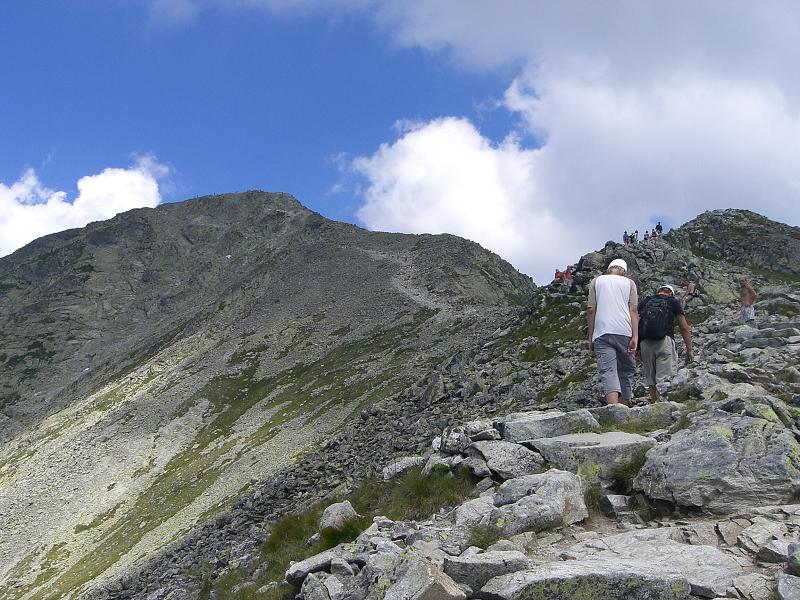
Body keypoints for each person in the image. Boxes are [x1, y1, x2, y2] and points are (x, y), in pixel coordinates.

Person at [587, 258, 639, 406]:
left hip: (602, 332)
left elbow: (591, 310)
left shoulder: (596, 281)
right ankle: (623, 409)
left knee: (608, 371)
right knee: (626, 369)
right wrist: (635, 336)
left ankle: (614, 412)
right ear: (623, 271)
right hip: (624, 331)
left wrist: (591, 338)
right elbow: (634, 310)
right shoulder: (629, 283)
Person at [638, 284, 693, 401]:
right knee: (664, 379)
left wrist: (636, 348)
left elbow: (635, 322)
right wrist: (689, 349)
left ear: (659, 291)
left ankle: (654, 405)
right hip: (664, 341)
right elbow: (684, 328)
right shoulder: (672, 302)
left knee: (651, 380)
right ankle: (663, 407)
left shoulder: (646, 302)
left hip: (644, 343)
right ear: (671, 293)